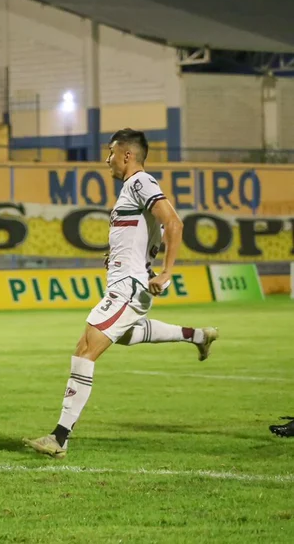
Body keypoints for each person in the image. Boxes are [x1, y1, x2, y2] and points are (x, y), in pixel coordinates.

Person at [23, 129, 219, 459]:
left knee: (85, 348)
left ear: (127, 155)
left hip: (128, 287)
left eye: (111, 153)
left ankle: (59, 437)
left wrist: (169, 271)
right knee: (128, 335)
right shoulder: (132, 190)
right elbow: (142, 234)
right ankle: (199, 336)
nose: (107, 159)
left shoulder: (140, 182)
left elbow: (174, 223)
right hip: (128, 283)